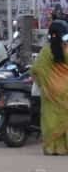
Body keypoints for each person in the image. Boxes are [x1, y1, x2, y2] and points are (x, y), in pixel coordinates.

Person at [31, 21, 68, 155]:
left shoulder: (45, 50)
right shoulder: (66, 49)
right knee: (65, 119)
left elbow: (36, 69)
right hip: (65, 90)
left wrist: (43, 84)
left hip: (50, 91)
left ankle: (52, 148)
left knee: (51, 119)